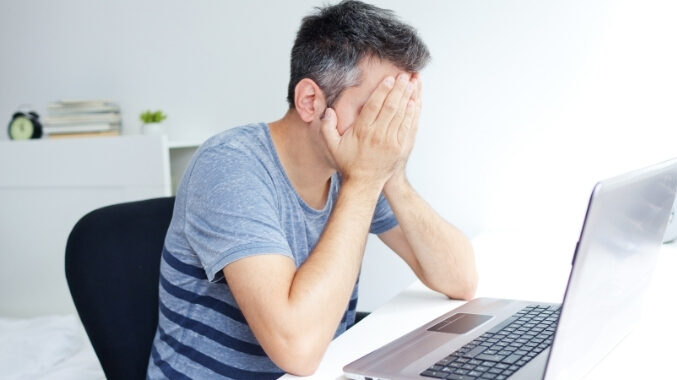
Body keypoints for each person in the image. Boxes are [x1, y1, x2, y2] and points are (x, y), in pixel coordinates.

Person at [147, 1, 477, 378]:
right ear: (310, 101)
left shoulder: (354, 167)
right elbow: (298, 352)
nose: (384, 129)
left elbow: (461, 279)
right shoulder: (230, 165)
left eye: (396, 110)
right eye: (377, 109)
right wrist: (367, 179)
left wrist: (393, 173)